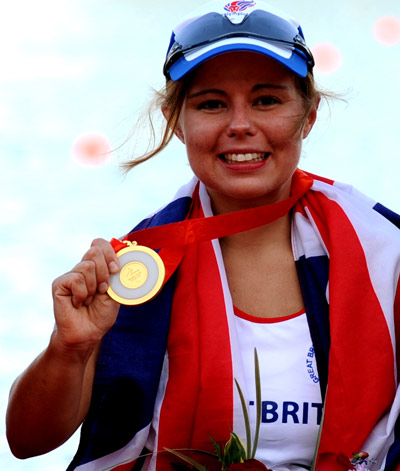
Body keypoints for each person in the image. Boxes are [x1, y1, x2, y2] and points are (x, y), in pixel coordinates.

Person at [6, 1, 400, 470]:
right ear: (178, 122)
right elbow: (26, 442)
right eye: (211, 104)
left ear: (308, 115)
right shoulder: (138, 268)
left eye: (267, 100)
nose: (239, 125)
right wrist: (71, 347)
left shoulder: (385, 251)